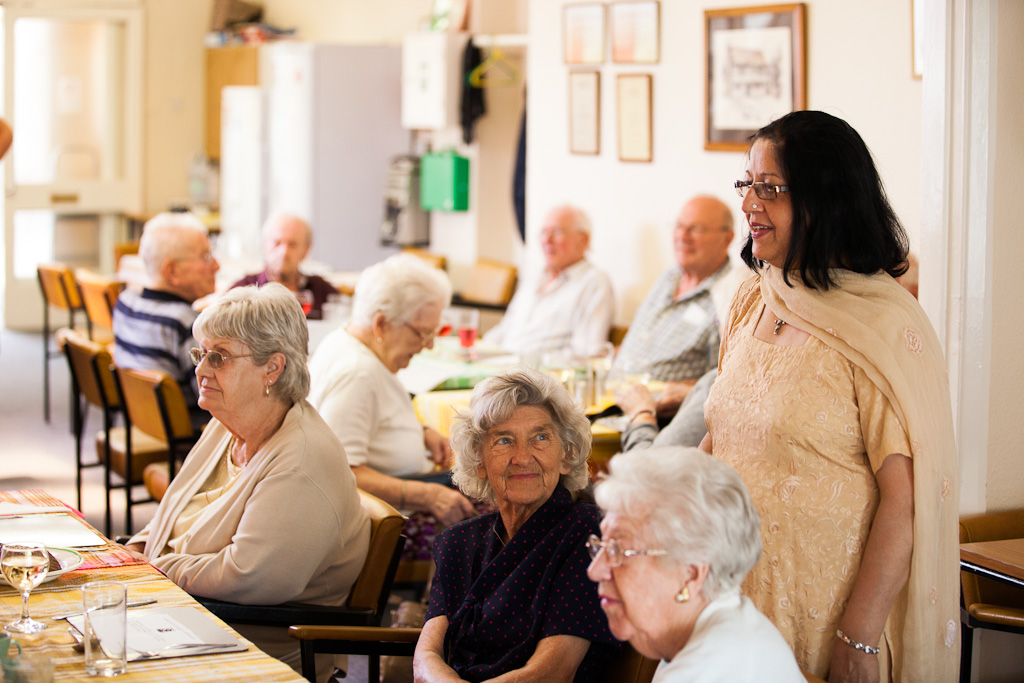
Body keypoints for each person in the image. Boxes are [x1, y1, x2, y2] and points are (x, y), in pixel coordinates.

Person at [702, 110, 958, 681]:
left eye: (770, 189)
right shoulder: (753, 300)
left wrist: (859, 636)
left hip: (824, 616)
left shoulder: (885, 327)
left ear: (826, 200)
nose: (749, 205)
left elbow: (906, 501)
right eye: (748, 184)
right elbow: (719, 439)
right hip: (732, 599)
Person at [126, 283, 369, 681]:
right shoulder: (226, 424)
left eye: (218, 358)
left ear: (272, 368)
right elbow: (172, 518)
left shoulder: (301, 461)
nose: (201, 370)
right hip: (180, 614)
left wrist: (153, 567)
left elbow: (249, 577)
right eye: (200, 354)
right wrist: (130, 552)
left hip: (249, 647)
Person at [415, 368, 619, 682]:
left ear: (566, 455)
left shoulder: (589, 538)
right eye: (504, 440)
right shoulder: (458, 542)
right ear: (479, 461)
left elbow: (550, 674)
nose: (523, 457)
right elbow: (427, 655)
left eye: (540, 438)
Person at [588, 447, 803, 682]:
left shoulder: (710, 670)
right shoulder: (721, 627)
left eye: (619, 550)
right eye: (601, 546)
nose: (594, 570)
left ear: (690, 575)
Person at [308, 254, 477, 537]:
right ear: (381, 324)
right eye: (422, 333)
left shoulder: (351, 344)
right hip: (387, 529)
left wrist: (418, 431)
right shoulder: (357, 373)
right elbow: (341, 474)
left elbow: (367, 416)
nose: (428, 345)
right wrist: (429, 496)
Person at [612, 196, 741, 417]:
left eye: (696, 229)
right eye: (679, 226)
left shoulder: (730, 295)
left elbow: (728, 383)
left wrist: (689, 392)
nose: (683, 236)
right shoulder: (668, 278)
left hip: (659, 418)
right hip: (612, 403)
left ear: (727, 237)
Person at [112, 212, 219, 428]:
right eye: (205, 256)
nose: (217, 265)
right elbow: (216, 400)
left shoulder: (125, 302)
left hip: (142, 425)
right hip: (190, 438)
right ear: (171, 270)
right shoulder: (185, 324)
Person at [483, 205, 614, 358]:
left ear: (583, 240)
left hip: (534, 376)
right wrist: (477, 351)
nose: (547, 240)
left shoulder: (594, 283)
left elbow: (586, 353)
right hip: (500, 368)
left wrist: (525, 364)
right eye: (544, 232)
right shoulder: (535, 276)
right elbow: (505, 329)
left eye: (557, 232)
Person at [231, 212, 337, 319]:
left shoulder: (322, 290)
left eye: (292, 244)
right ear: (264, 245)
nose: (284, 252)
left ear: (306, 249)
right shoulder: (243, 290)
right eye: (277, 243)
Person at [618, 368, 717, 452]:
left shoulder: (714, 387)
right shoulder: (715, 384)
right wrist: (692, 395)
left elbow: (646, 465)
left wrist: (642, 411)